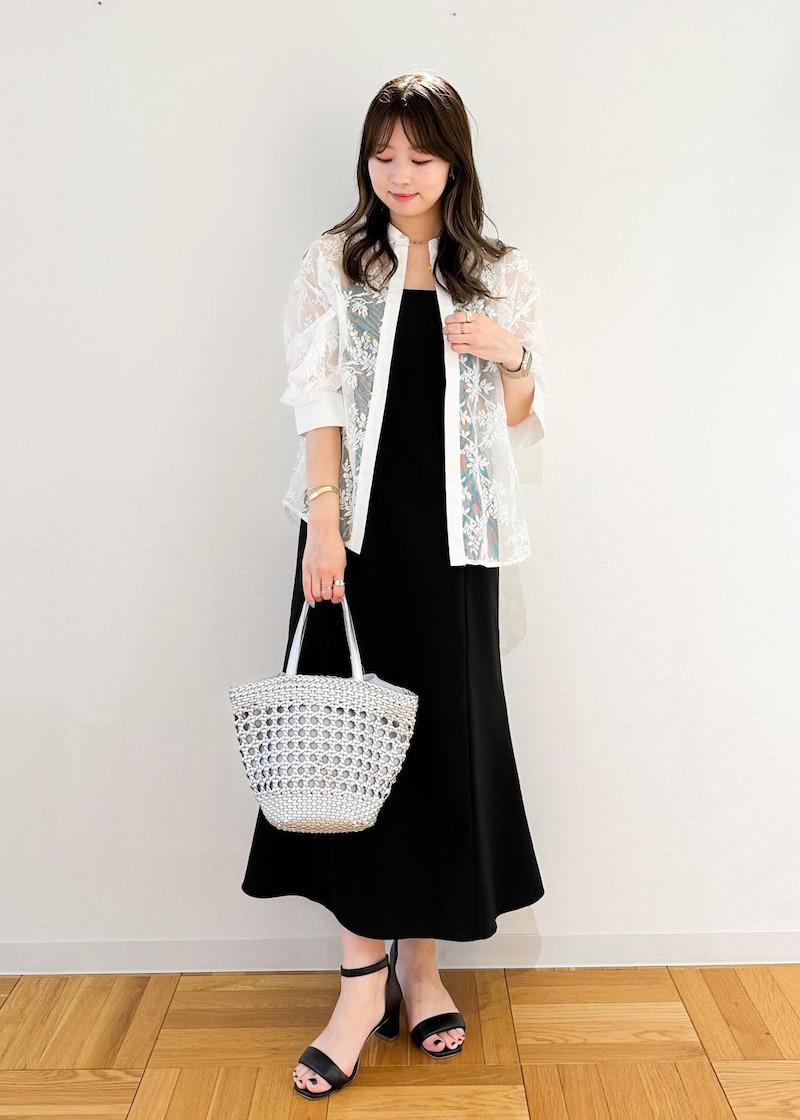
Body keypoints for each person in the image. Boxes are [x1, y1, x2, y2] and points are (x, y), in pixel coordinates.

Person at [241, 70, 549, 1101]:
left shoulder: (494, 269)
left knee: (438, 751)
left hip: (456, 546)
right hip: (357, 541)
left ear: (453, 162)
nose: (399, 173)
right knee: (352, 757)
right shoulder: (338, 262)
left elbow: (514, 415)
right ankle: (357, 987)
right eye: (383, 154)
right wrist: (323, 524)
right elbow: (316, 396)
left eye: (419, 155)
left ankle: (422, 972)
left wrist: (512, 352)